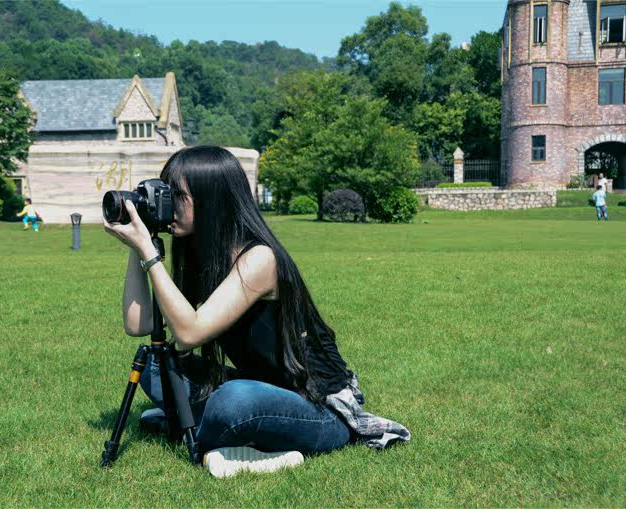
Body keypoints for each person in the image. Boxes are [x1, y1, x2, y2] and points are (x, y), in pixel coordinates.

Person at [103, 146, 409, 478]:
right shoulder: (203, 255)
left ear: (212, 200)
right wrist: (138, 245)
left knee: (233, 400)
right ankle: (211, 426)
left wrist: (150, 255)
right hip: (263, 388)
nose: (167, 205)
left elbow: (189, 333)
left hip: (318, 408)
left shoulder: (259, 258)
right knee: (154, 366)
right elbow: (139, 324)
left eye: (178, 196)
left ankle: (205, 429)